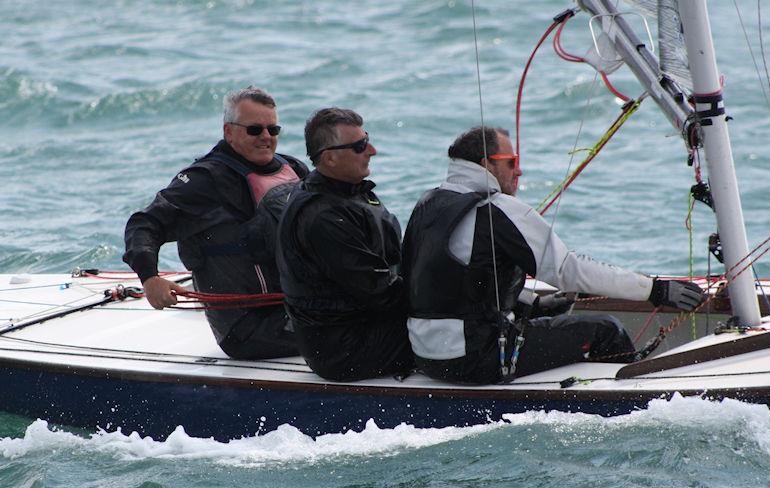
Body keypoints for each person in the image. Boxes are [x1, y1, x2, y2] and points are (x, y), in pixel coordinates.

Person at [402, 126, 704, 384]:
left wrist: (533, 304)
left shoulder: (428, 204)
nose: (519, 170)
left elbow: (450, 283)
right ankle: (624, 406)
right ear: (487, 164)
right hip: (476, 359)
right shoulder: (496, 209)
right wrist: (655, 289)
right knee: (606, 330)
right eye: (511, 161)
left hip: (427, 355)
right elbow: (567, 270)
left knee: (562, 319)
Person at [123, 86, 308, 359]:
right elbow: (144, 224)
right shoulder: (204, 181)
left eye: (273, 130)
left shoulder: (294, 169)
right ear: (229, 132)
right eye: (255, 130)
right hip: (247, 328)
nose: (266, 137)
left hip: (298, 308)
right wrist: (150, 278)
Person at [276, 107, 415, 381]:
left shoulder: (349, 192)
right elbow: (379, 292)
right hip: (344, 349)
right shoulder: (324, 218)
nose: (372, 150)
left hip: (367, 324)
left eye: (368, 139)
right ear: (330, 158)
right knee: (457, 337)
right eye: (360, 145)